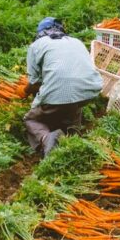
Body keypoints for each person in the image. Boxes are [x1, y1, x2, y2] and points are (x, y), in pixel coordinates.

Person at [23, 17, 103, 158]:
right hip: (89, 91)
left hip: (60, 93)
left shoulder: (36, 46)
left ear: (40, 33)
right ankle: (72, 131)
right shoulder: (76, 41)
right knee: (73, 103)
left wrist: (25, 91)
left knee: (32, 119)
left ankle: (46, 138)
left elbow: (35, 82)